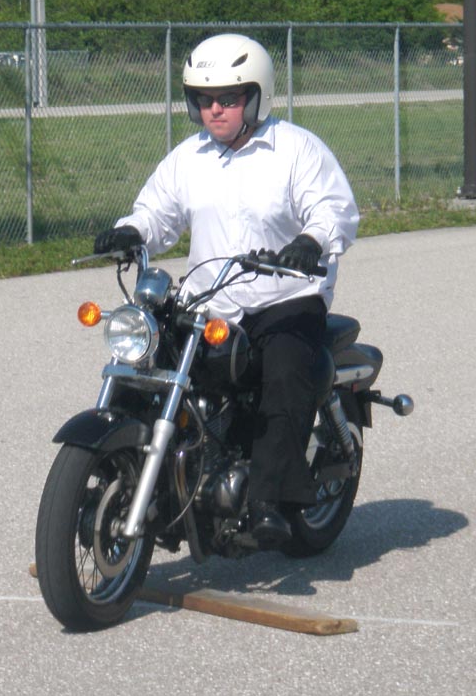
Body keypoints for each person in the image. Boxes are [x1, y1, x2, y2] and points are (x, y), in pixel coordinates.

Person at [93, 32, 360, 546]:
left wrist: (311, 241)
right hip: (210, 302)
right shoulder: (189, 156)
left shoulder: (295, 149)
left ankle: (269, 501)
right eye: (204, 98)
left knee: (285, 371)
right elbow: (157, 212)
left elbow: (334, 210)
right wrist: (132, 231)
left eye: (229, 98)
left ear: (256, 96)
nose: (214, 109)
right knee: (151, 363)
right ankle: (147, 475)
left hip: (284, 298)